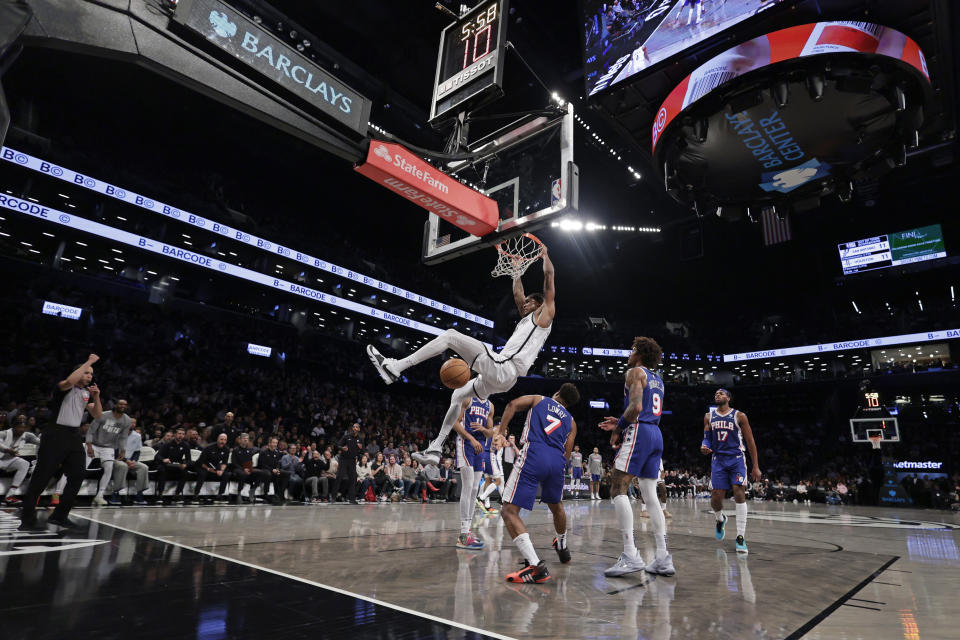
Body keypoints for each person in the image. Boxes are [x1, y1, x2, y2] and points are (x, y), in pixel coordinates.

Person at [367, 243, 556, 467]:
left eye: (529, 302)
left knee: (450, 336)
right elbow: (517, 294)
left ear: (539, 305)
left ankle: (395, 367)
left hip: (503, 367)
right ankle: (436, 448)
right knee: (457, 396)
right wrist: (516, 270)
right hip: (504, 379)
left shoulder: (545, 316)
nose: (523, 304)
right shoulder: (527, 319)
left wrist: (545, 256)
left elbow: (549, 278)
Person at [599, 337, 675, 578]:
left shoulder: (634, 372)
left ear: (640, 353)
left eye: (632, 349)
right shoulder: (658, 380)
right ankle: (662, 558)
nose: (629, 353)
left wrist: (618, 428)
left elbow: (636, 408)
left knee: (618, 488)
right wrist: (620, 420)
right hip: (656, 434)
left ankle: (631, 554)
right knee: (650, 495)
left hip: (640, 431)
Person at [498, 383, 580, 584]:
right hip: (557, 461)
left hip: (535, 453)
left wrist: (500, 432)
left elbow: (511, 404)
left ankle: (535, 567)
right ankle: (562, 546)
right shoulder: (571, 421)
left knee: (509, 510)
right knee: (556, 506)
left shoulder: (539, 399)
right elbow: (567, 453)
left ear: (557, 392)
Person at [20, 355, 103, 531]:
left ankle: (60, 516)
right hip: (55, 433)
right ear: (78, 372)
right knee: (41, 477)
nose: (89, 376)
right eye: (86, 372)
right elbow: (69, 380)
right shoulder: (63, 387)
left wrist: (96, 397)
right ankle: (27, 520)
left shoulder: (86, 393)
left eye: (91, 374)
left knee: (78, 474)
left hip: (73, 436)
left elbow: (97, 416)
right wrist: (88, 361)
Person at [701, 388, 761, 554]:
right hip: (718, 460)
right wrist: (705, 446)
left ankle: (740, 536)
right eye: (715, 394)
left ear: (728, 398)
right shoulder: (708, 417)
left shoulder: (739, 416)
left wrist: (755, 465)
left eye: (721, 393)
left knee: (739, 493)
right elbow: (707, 437)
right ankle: (720, 519)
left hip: (736, 459)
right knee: (716, 497)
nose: (717, 395)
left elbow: (750, 441)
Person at [452, 396, 494, 549]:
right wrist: (471, 438)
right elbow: (454, 423)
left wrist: (484, 430)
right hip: (466, 443)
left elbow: (490, 433)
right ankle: (463, 534)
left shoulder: (490, 405)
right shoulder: (468, 398)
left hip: (480, 446)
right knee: (468, 487)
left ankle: (467, 532)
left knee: (475, 489)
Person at [80, 398, 133, 506]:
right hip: (94, 444)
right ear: (115, 405)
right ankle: (70, 492)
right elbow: (90, 431)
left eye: (125, 404)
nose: (123, 406)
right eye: (120, 404)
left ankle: (99, 495)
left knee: (109, 469)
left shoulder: (127, 420)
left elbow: (123, 437)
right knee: (82, 468)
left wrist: (123, 450)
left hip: (108, 447)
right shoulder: (104, 415)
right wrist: (89, 446)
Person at [0, 415, 41, 504]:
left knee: (24, 464)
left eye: (23, 427)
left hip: (9, 460)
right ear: (14, 427)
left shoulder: (27, 436)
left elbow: (40, 442)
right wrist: (7, 450)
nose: (21, 429)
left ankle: (10, 496)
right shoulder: (4, 433)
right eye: (19, 427)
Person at [108, 418, 148, 505]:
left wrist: (133, 461)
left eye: (134, 423)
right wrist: (127, 461)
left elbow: (137, 451)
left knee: (144, 467)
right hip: (116, 459)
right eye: (131, 422)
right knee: (123, 466)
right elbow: (115, 452)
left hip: (130, 460)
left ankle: (139, 494)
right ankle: (115, 493)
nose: (133, 424)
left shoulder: (137, 436)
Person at [156, 427, 193, 505]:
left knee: (185, 472)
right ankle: (160, 494)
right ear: (175, 434)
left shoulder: (185, 445)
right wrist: (163, 460)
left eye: (183, 434)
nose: (181, 436)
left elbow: (189, 459)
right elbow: (157, 456)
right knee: (161, 470)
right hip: (166, 465)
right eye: (179, 434)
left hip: (177, 465)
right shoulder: (168, 444)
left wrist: (185, 464)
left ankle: (177, 494)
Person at [194, 433, 232, 504]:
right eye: (221, 439)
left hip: (215, 468)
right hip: (203, 466)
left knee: (226, 474)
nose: (223, 441)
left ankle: (220, 495)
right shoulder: (208, 448)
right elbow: (200, 462)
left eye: (225, 440)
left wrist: (221, 470)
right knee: (202, 474)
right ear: (217, 439)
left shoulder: (226, 449)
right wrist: (208, 469)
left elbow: (224, 463)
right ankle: (196, 495)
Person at [230, 432, 265, 503]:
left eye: (247, 439)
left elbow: (250, 461)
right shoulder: (235, 450)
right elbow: (234, 463)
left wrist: (249, 469)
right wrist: (244, 469)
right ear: (240, 440)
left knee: (261, 473)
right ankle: (239, 494)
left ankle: (252, 490)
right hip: (237, 469)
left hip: (247, 468)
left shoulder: (250, 450)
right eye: (244, 438)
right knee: (243, 474)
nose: (245, 440)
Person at [257, 437, 289, 504]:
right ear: (269, 443)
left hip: (274, 470)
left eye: (276, 443)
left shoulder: (276, 453)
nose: (275, 444)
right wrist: (272, 470)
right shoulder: (263, 452)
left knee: (286, 474)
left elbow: (277, 463)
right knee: (268, 474)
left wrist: (277, 469)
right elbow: (261, 464)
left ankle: (280, 494)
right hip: (264, 470)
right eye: (273, 442)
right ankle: (266, 494)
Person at [478, 434, 506, 511]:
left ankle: (487, 505)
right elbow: (496, 446)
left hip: (486, 457)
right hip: (492, 459)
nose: (505, 432)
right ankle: (481, 497)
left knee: (488, 481)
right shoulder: (496, 435)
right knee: (498, 481)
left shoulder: (490, 434)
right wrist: (503, 443)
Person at [336, 423, 362, 503]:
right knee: (342, 478)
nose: (354, 428)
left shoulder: (360, 439)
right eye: (353, 427)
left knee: (353, 479)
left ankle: (351, 499)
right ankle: (336, 495)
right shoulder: (346, 436)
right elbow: (338, 445)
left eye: (356, 427)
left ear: (359, 429)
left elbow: (362, 451)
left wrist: (359, 453)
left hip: (352, 462)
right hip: (344, 460)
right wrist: (342, 448)